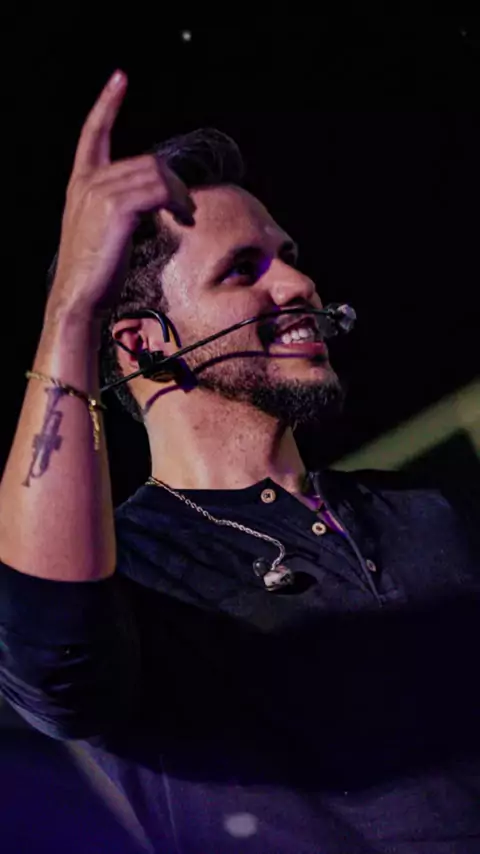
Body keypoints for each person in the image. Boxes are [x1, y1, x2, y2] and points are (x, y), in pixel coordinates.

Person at [0, 71, 479, 854]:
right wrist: (73, 311)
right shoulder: (138, 574)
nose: (298, 283)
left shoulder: (432, 514)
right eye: (242, 269)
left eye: (288, 257)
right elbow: (55, 662)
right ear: (143, 345)